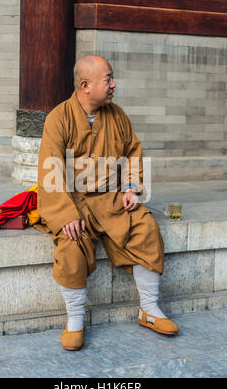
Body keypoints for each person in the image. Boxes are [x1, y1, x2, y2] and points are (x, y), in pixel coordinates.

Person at [37, 55, 179, 351]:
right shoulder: (58, 118)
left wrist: (131, 187)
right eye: (108, 79)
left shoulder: (117, 115)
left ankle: (150, 310)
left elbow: (133, 152)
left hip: (112, 199)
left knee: (145, 227)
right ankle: (75, 320)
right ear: (86, 85)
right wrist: (65, 214)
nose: (114, 85)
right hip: (73, 201)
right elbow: (49, 169)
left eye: (112, 79)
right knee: (71, 244)